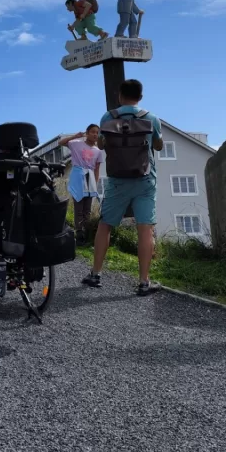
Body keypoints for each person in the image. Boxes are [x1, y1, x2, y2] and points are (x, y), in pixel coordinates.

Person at [83, 79, 163, 296]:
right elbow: (158, 145)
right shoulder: (152, 118)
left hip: (118, 180)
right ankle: (144, 282)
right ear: (141, 97)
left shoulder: (108, 117)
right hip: (145, 179)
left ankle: (96, 274)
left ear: (120, 95)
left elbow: (101, 144)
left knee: (105, 225)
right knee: (144, 228)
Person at [57, 125, 105, 244]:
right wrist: (75, 136)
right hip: (78, 175)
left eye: (97, 133)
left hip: (90, 178)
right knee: (79, 205)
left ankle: (86, 231)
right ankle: (79, 233)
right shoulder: (76, 143)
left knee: (87, 208)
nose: (95, 134)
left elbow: (97, 168)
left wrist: (96, 182)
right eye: (93, 132)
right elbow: (60, 142)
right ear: (87, 133)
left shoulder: (98, 151)